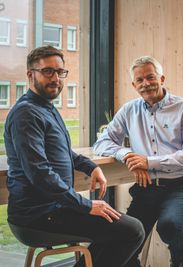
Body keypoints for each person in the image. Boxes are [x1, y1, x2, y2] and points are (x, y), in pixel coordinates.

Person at [5, 46, 145, 267]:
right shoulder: (26, 113)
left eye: (60, 72)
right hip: (37, 216)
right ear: (30, 74)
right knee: (131, 230)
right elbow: (39, 173)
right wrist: (85, 205)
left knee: (126, 230)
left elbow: (62, 151)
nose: (56, 78)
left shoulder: (46, 108)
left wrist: (91, 167)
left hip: (55, 208)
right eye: (48, 71)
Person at [93, 56, 183, 267]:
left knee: (168, 224)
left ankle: (178, 261)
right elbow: (102, 141)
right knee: (128, 234)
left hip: (181, 187)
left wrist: (148, 162)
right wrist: (126, 155)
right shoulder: (129, 110)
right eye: (139, 80)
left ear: (161, 78)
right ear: (134, 85)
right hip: (146, 188)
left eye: (150, 77)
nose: (146, 83)